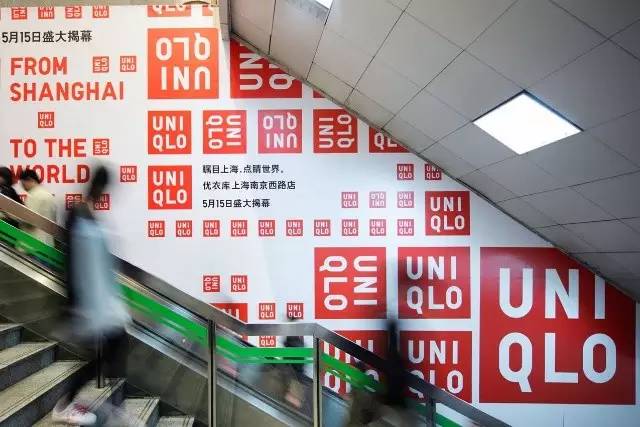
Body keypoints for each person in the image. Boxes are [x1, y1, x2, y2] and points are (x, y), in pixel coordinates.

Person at [52, 166, 131, 426]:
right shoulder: (77, 214)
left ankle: (113, 405)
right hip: (87, 300)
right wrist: (72, 303)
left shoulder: (93, 216)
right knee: (104, 353)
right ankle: (65, 405)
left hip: (103, 299)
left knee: (116, 346)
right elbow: (70, 261)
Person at [19, 169, 56, 245]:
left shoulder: (33, 195)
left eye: (23, 184)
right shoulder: (48, 195)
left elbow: (29, 221)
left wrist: (15, 216)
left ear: (29, 180)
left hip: (33, 243)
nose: (23, 188)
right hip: (47, 242)